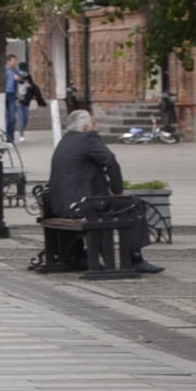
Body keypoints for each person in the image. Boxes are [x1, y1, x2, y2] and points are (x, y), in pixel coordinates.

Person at [49, 110, 160, 272]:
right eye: (94, 124)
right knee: (134, 205)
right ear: (87, 127)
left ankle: (79, 256)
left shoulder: (65, 140)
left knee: (114, 205)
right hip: (84, 205)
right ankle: (134, 257)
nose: (97, 127)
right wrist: (117, 189)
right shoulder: (89, 138)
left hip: (60, 204)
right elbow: (111, 161)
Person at [4, 57, 25, 142]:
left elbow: (23, 75)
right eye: (13, 61)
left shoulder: (15, 70)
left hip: (12, 95)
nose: (15, 63)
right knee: (5, 117)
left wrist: (19, 77)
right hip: (4, 94)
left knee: (12, 118)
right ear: (8, 61)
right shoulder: (3, 70)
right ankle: (6, 137)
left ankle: (10, 138)